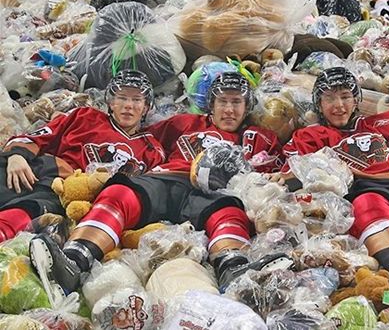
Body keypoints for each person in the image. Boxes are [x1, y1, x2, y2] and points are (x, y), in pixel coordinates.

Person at [30, 72, 292, 299]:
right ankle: (74, 261)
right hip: (165, 180)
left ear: (247, 107)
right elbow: (134, 138)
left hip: (214, 194)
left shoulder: (260, 138)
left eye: (237, 102)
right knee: (119, 192)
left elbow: (279, 174)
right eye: (222, 102)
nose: (229, 110)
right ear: (210, 105)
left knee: (231, 211)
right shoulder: (182, 123)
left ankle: (234, 269)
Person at [280, 67, 389, 307]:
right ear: (318, 103)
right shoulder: (310, 136)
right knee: (365, 205)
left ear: (356, 100)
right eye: (329, 98)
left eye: (345, 96)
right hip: (366, 186)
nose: (339, 105)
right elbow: (294, 172)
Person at [0, 69, 164, 242]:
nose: (128, 105)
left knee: (33, 210)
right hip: (42, 171)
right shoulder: (84, 116)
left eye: (137, 99)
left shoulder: (152, 150)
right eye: (122, 97)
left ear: (146, 107)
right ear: (110, 102)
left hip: (68, 200)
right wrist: (17, 156)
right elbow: (40, 136)